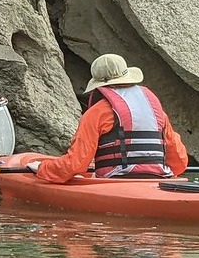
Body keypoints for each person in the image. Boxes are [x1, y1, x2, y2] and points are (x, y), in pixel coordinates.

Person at [26, 53, 188, 183]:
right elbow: (180, 163)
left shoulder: (97, 113)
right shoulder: (156, 111)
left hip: (116, 182)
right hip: (157, 181)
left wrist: (43, 168)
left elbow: (74, 165)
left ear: (99, 84)